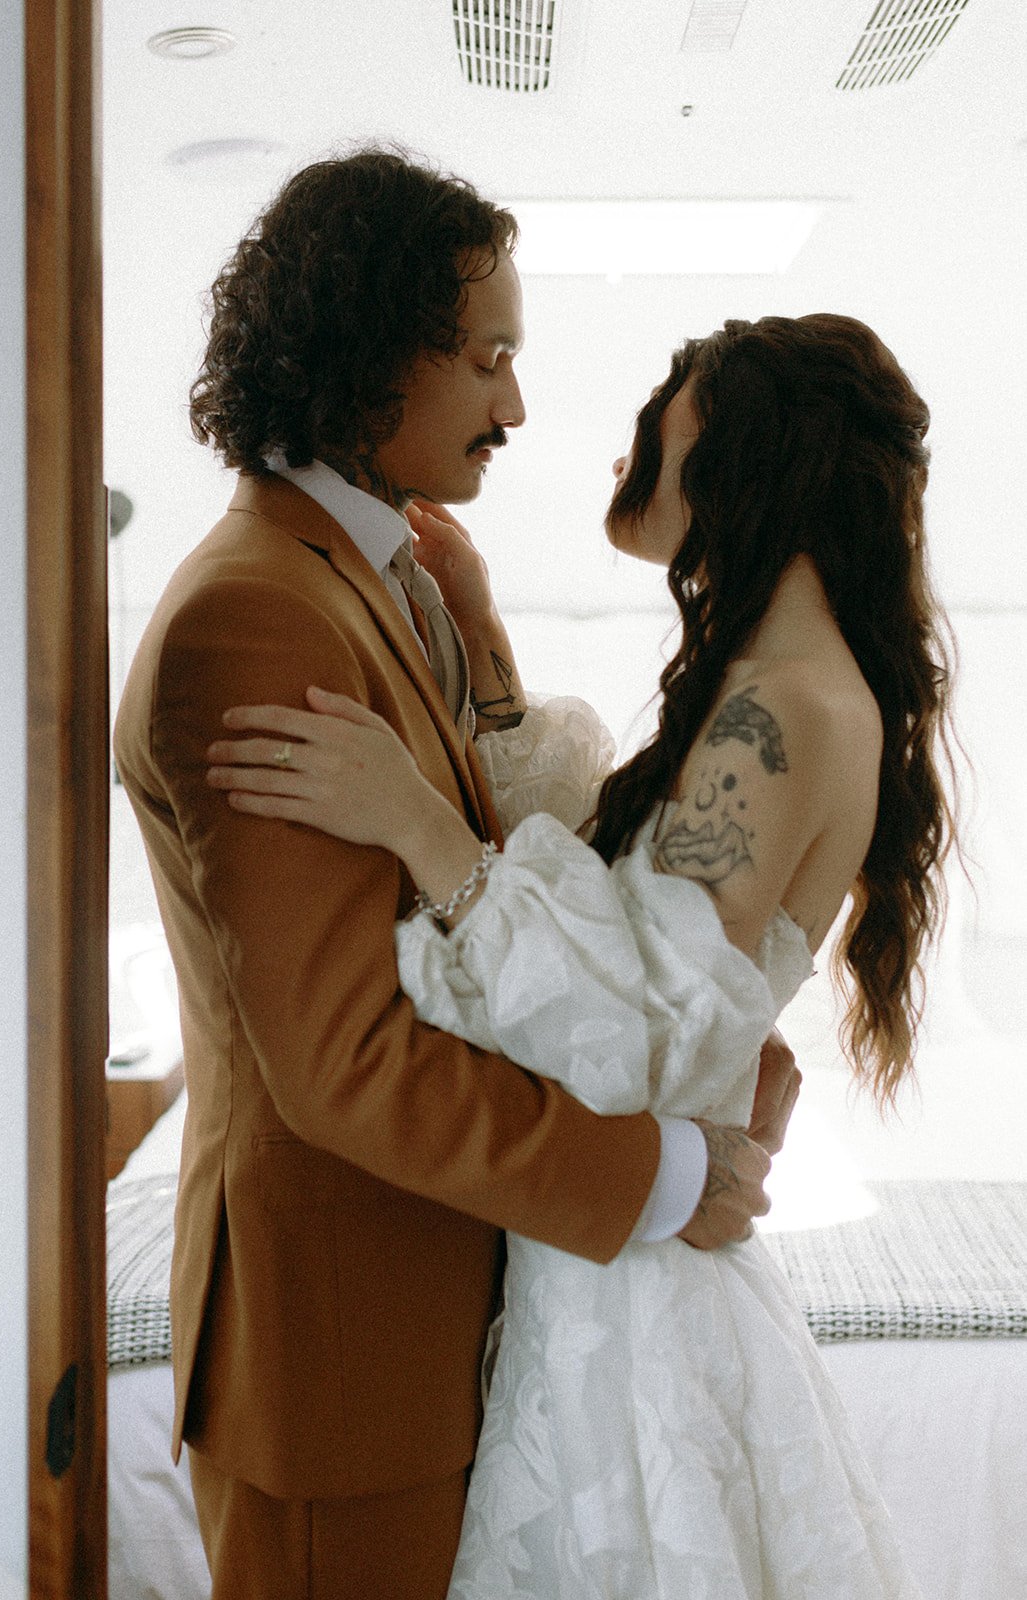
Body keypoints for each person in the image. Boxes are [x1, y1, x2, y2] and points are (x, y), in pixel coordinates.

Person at [112, 148, 798, 1600]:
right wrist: (657, 1176)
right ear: (371, 356)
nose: (516, 407)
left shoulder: (374, 573)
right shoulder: (256, 619)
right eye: (487, 359)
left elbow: (478, 876)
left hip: (421, 1318)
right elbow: (343, 1061)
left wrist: (473, 641)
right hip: (344, 1356)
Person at [205, 312, 955, 1596]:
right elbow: (633, 934)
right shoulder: (789, 679)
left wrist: (420, 830)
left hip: (631, 1318)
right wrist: (482, 640)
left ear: (741, 462)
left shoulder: (777, 705)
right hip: (615, 1281)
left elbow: (629, 1038)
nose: (619, 458)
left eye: (656, 426)